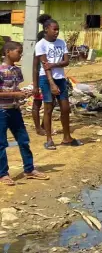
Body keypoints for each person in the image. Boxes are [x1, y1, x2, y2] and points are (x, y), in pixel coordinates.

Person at [0, 41, 49, 185]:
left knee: (23, 140)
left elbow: (15, 89)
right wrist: (16, 94)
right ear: (8, 52)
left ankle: (29, 169)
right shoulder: (1, 70)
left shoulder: (16, 70)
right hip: (2, 111)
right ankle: (3, 174)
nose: (20, 55)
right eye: (18, 52)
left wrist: (23, 93)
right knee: (1, 144)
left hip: (15, 110)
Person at [35, 19, 81, 149]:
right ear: (46, 29)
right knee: (48, 109)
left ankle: (67, 137)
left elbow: (66, 61)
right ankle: (49, 139)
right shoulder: (41, 44)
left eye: (58, 29)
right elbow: (45, 67)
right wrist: (51, 83)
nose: (57, 32)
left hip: (60, 78)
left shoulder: (61, 43)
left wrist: (54, 64)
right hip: (46, 79)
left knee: (65, 108)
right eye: (54, 29)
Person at [31, 14, 53, 136]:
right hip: (40, 79)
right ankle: (38, 128)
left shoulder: (50, 48)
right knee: (38, 103)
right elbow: (35, 68)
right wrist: (35, 85)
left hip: (50, 79)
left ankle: (45, 125)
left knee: (50, 104)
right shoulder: (38, 49)